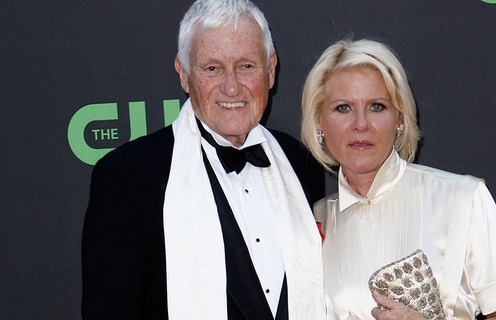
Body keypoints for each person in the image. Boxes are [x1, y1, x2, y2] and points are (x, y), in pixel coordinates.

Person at [81, 0, 327, 319]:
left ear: (271, 70)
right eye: (212, 68)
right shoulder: (127, 177)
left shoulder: (300, 163)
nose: (231, 87)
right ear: (184, 75)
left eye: (246, 66)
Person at [301, 39, 496, 320]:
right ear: (319, 122)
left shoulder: (462, 199)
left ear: (399, 118)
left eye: (376, 106)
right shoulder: (310, 222)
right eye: (343, 108)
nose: (360, 124)